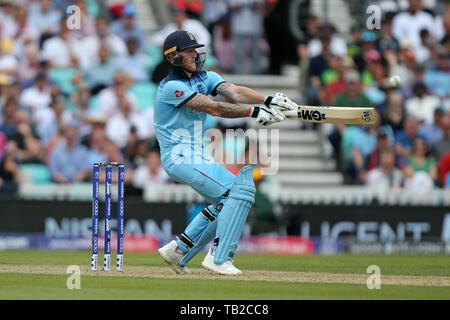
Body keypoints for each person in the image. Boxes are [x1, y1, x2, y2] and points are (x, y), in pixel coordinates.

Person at [156, 30, 294, 275]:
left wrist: (269, 100)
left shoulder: (205, 77)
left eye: (195, 50)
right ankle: (219, 258)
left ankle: (178, 251)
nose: (195, 55)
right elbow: (214, 107)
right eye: (189, 52)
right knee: (238, 191)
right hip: (178, 155)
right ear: (174, 57)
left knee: (232, 197)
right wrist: (253, 113)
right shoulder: (171, 87)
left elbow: (235, 92)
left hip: (194, 154)